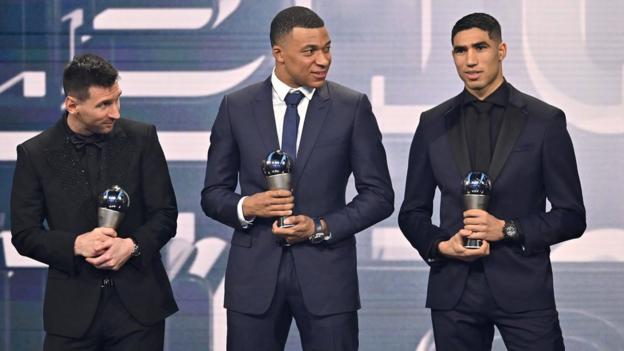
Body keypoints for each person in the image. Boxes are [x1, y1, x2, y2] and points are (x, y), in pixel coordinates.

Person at [201, 6, 394, 351]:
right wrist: (248, 206)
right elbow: (213, 194)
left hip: (328, 279)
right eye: (310, 51)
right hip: (253, 278)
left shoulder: (351, 107)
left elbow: (379, 196)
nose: (323, 60)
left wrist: (320, 226)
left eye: (327, 48)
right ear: (279, 54)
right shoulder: (237, 107)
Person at [398, 13, 586, 351]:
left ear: (501, 50)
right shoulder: (432, 124)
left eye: (480, 47)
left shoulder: (544, 122)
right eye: (460, 50)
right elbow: (411, 213)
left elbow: (571, 216)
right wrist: (442, 246)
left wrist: (508, 229)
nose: (470, 60)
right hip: (453, 292)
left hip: (524, 289)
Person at [10, 53, 178, 350]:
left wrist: (132, 246)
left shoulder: (142, 138)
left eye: (117, 100)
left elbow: (165, 214)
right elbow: (25, 234)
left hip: (139, 310)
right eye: (104, 104)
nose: (115, 112)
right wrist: (76, 244)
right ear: (72, 105)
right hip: (72, 315)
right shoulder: (35, 153)